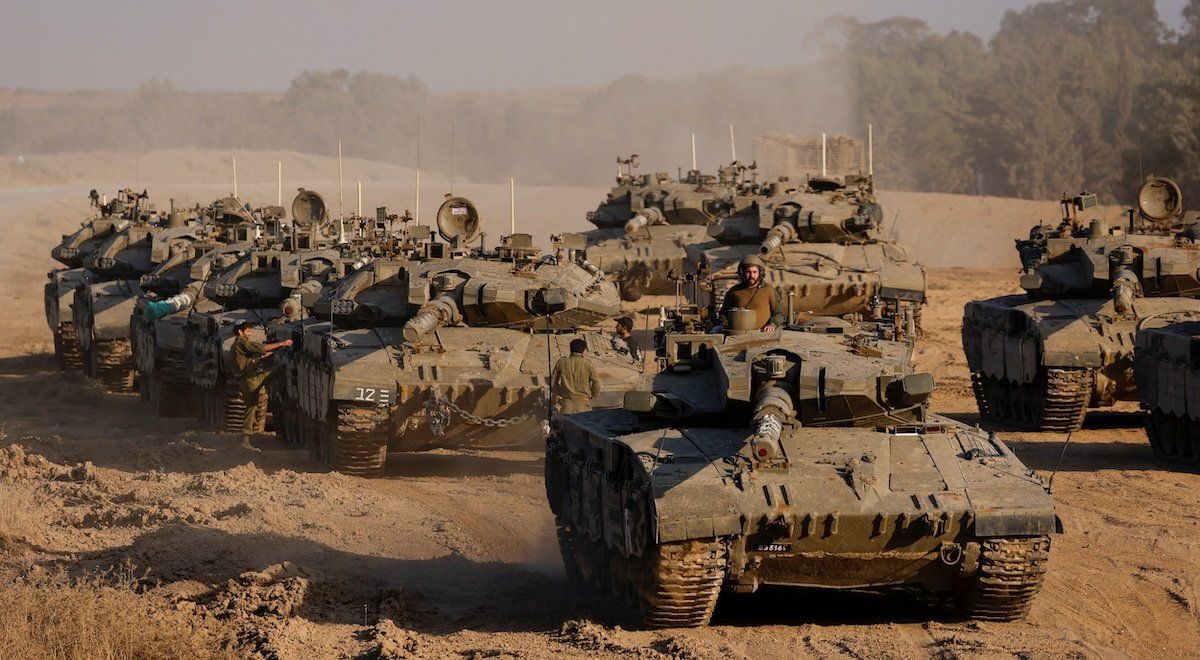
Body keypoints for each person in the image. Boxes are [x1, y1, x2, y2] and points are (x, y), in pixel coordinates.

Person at [231, 321, 293, 451]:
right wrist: (283, 343)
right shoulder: (241, 342)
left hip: (244, 381)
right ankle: (282, 392)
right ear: (240, 332)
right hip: (251, 380)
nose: (250, 333)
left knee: (251, 408)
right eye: (247, 331)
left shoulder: (236, 345)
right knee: (278, 368)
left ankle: (245, 439)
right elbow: (262, 347)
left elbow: (250, 359)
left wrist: (264, 356)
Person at [718, 254, 783, 332]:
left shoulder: (768, 289)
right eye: (748, 272)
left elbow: (778, 313)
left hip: (762, 333)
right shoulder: (734, 291)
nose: (752, 275)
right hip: (739, 334)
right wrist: (725, 323)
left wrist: (772, 324)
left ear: (760, 273)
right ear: (742, 272)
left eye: (755, 272)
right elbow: (723, 313)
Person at [552, 338, 601, 414]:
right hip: (583, 405)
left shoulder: (561, 362)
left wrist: (561, 392)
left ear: (570, 348)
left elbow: (553, 383)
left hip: (566, 404)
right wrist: (592, 395)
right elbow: (597, 383)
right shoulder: (588, 364)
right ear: (584, 350)